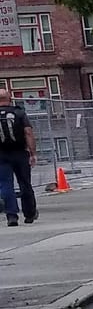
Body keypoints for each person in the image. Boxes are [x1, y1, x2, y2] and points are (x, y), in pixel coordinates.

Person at [0, 87, 38, 226]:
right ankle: (29, 213)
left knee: (5, 185)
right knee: (25, 183)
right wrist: (33, 153)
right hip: (20, 152)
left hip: (1, 154)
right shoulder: (19, 112)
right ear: (9, 98)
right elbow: (28, 132)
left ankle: (12, 215)